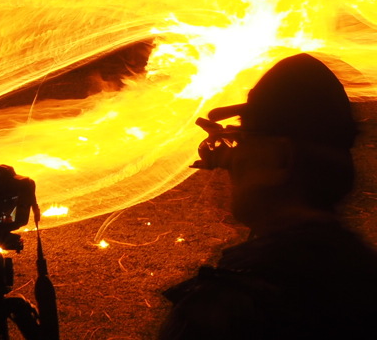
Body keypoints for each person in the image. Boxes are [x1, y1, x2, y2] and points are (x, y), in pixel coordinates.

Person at [159, 53, 377, 340]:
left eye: (246, 139)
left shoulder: (234, 307)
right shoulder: (359, 271)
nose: (235, 155)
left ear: (281, 159)